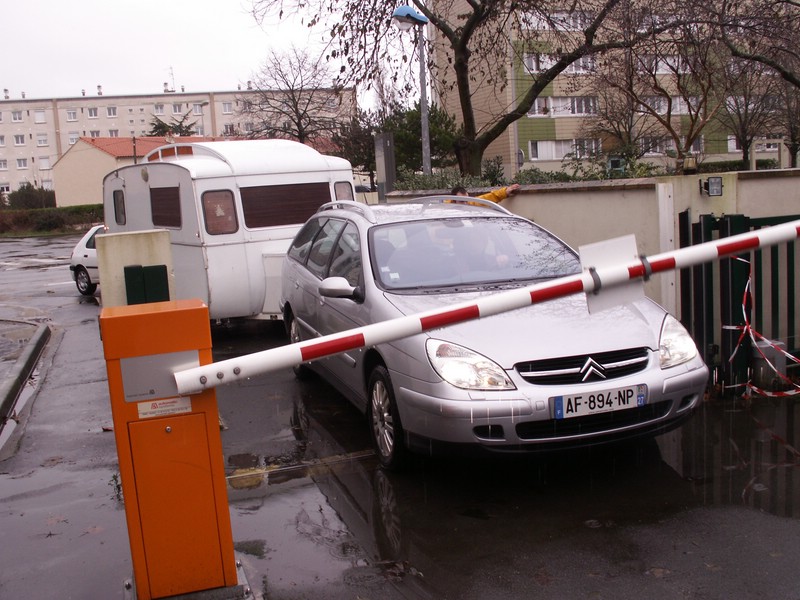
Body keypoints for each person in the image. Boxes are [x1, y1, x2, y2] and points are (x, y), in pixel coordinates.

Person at [450, 183, 520, 203]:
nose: (465, 204)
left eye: (467, 201)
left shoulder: (471, 204)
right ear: (453, 201)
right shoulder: (444, 209)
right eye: (462, 201)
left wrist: (505, 192)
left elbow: (488, 198)